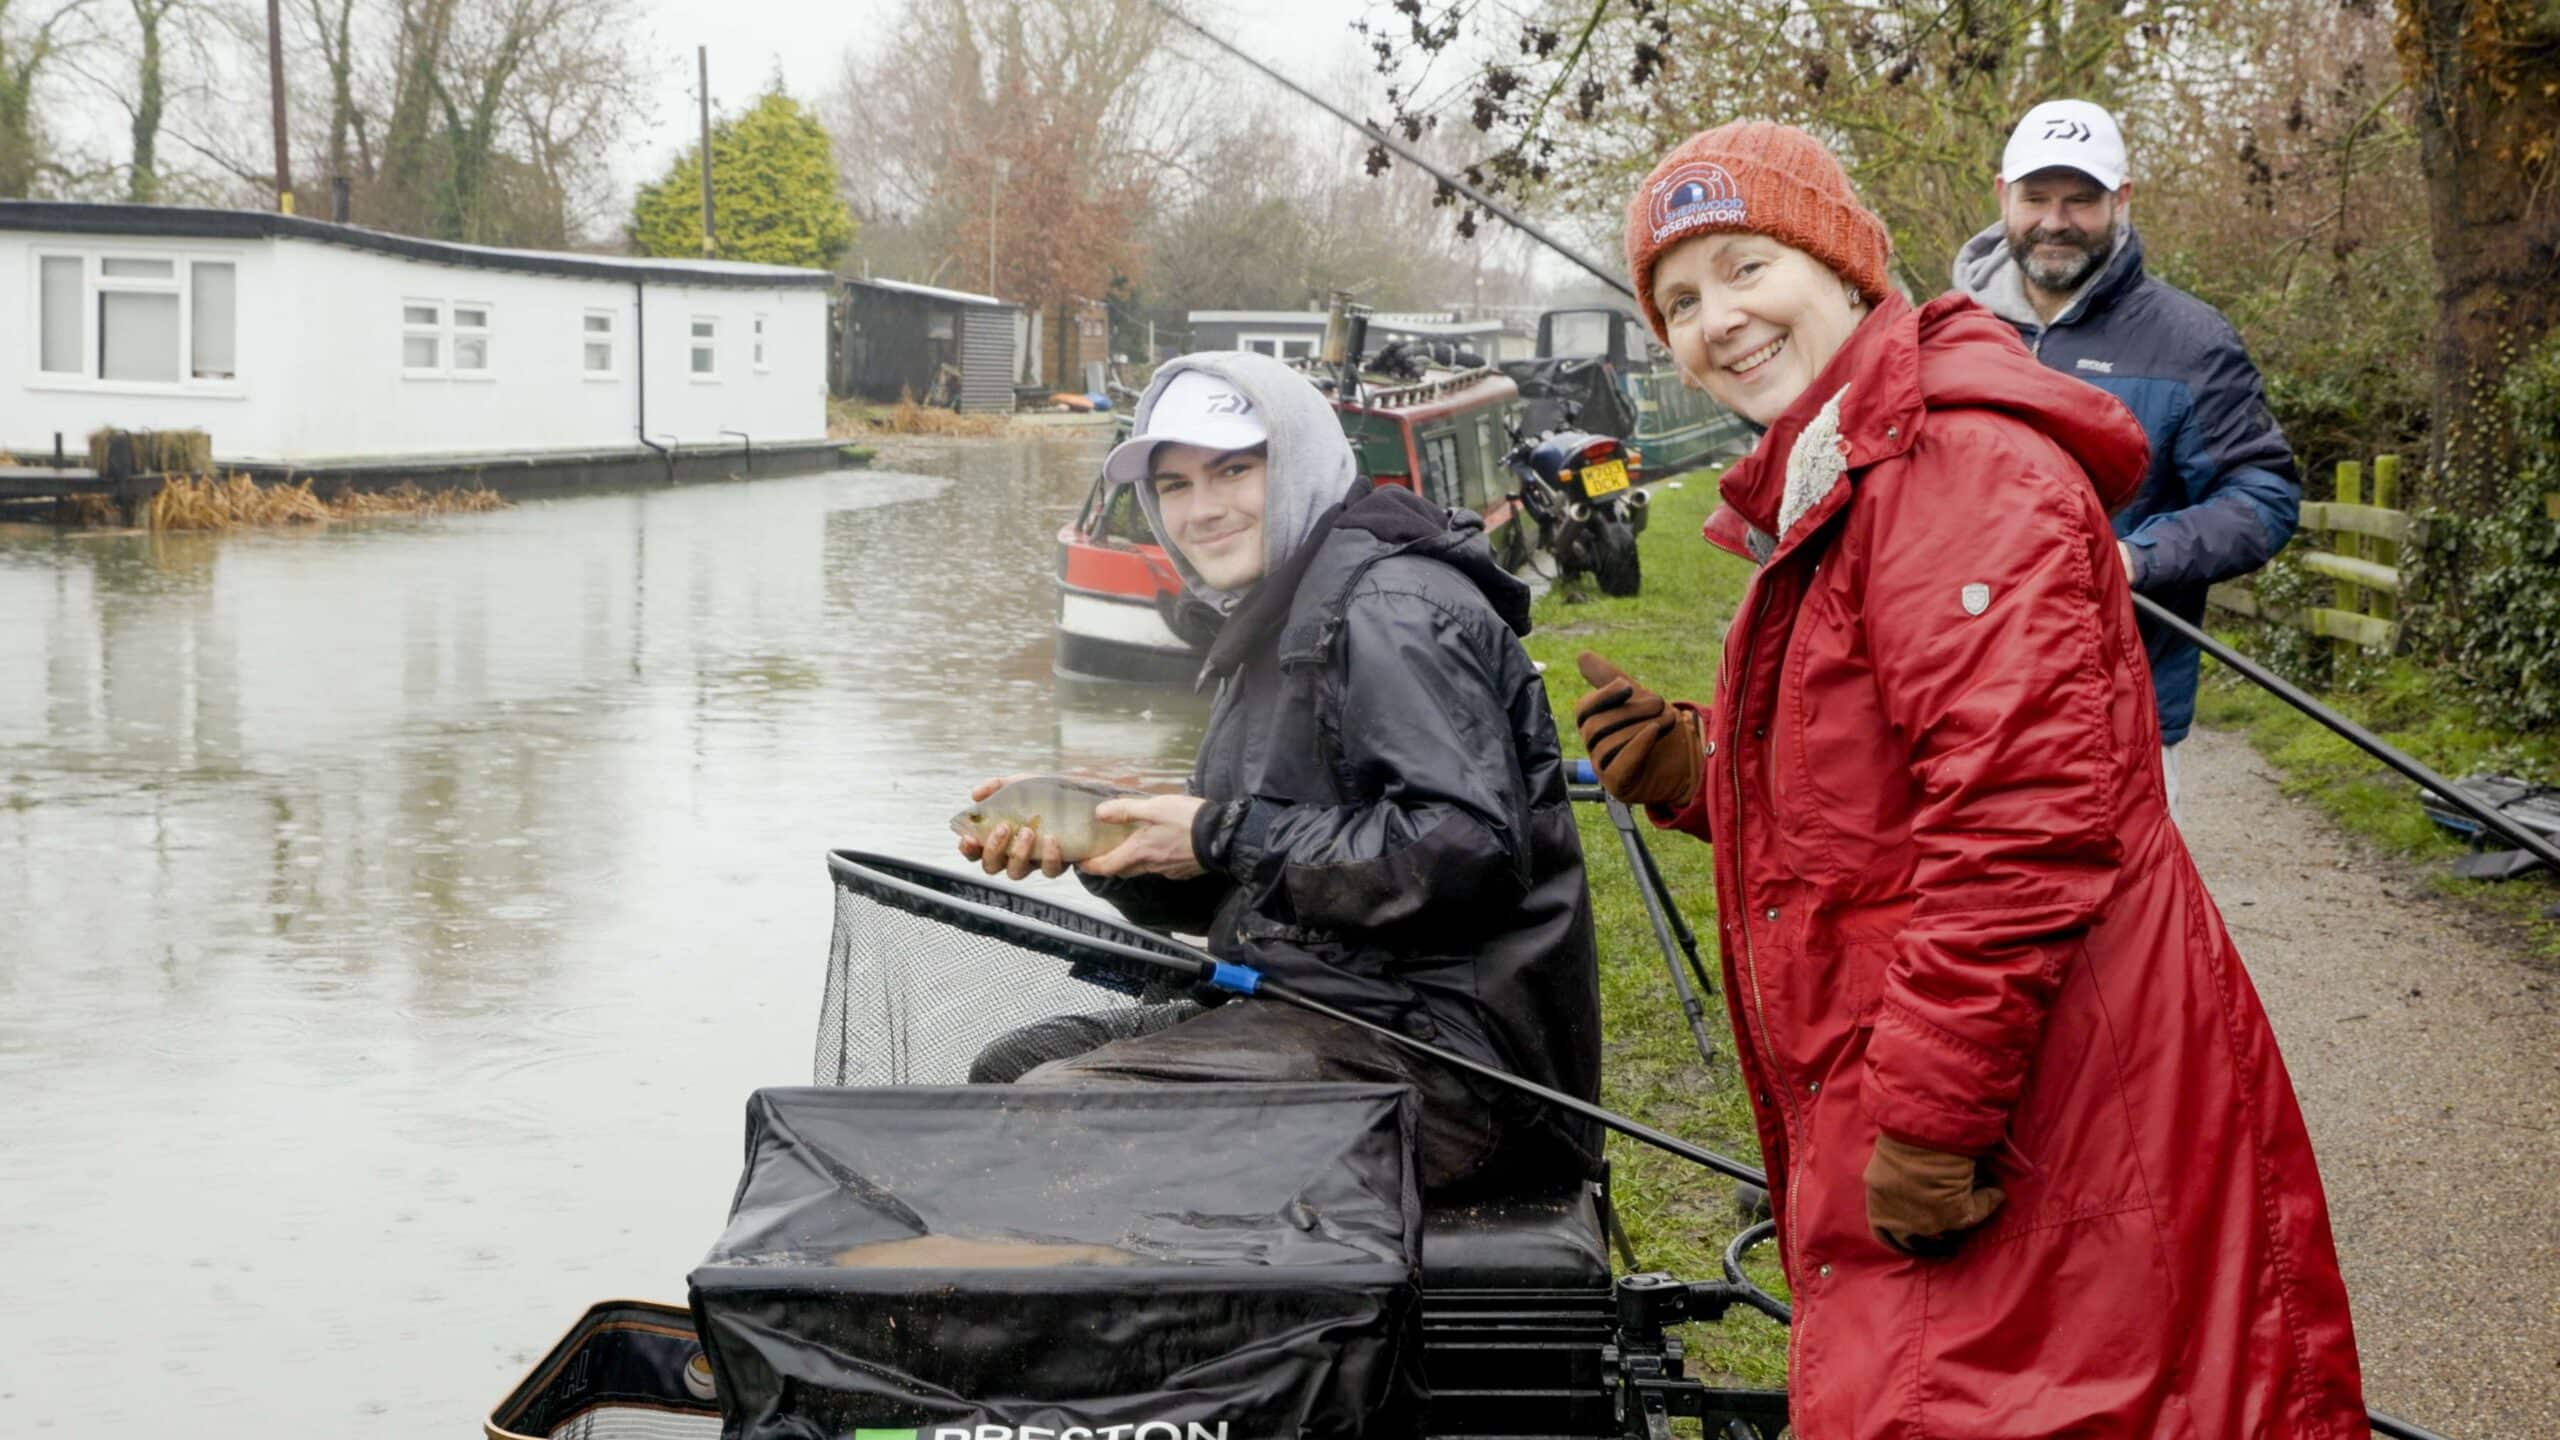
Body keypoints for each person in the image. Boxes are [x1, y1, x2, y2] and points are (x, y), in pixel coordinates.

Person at [1576, 120, 2363, 1436]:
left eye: (1747, 266)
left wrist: (1932, 1123)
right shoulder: (1851, 472)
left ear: (1846, 268)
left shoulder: (1955, 468)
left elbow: (2018, 831)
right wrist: (1701, 768)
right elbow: (1879, 796)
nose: (1719, 320)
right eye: (1679, 302)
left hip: (2044, 1106)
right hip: (2011, 1071)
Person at [959, 352, 1603, 1198]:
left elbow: (1463, 849)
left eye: (1233, 470)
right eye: (1177, 485)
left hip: (1459, 1068)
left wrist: (1219, 831)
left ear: (1297, 459)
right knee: (1012, 1067)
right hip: (1327, 1007)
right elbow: (1263, 879)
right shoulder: (1276, 613)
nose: (1203, 509)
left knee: (1062, 1113)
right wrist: (1106, 846)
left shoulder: (1390, 606)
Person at [1952, 98, 2301, 816]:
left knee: (2127, 927)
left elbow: (2264, 495)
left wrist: (2136, 558)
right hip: (1954, 702)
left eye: (2082, 200)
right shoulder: (1945, 335)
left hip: (2119, 712)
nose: (2055, 221)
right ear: (2001, 196)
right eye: (2037, 198)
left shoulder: (2191, 342)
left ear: (2122, 199)